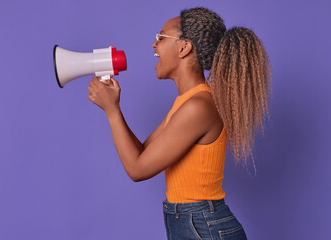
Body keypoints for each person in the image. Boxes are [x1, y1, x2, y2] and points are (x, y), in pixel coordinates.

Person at [87, 7, 271, 240]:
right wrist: (114, 108)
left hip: (203, 225)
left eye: (161, 38)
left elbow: (137, 170)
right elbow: (142, 154)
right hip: (193, 223)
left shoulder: (198, 107)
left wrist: (112, 111)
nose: (154, 46)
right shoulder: (188, 102)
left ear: (184, 47)